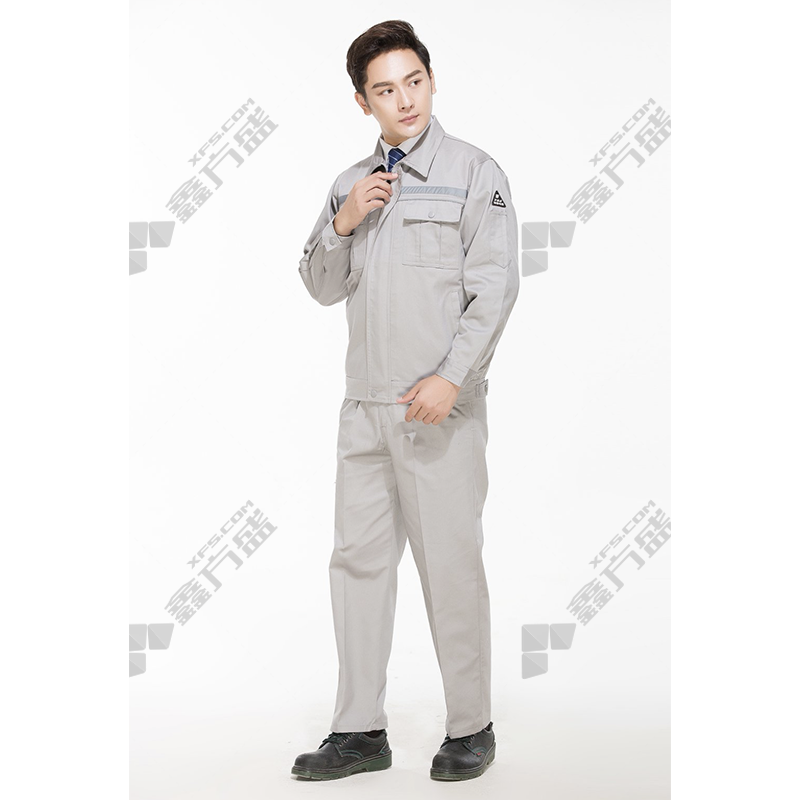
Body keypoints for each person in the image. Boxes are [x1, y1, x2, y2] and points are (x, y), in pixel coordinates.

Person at [293, 19, 519, 782]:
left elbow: (495, 290)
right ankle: (359, 730)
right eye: (386, 90)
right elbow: (321, 286)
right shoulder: (349, 185)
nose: (406, 100)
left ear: (431, 79)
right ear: (364, 102)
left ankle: (471, 726)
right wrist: (344, 220)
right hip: (364, 410)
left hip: (437, 413)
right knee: (357, 567)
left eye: (414, 82)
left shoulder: (474, 172)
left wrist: (452, 377)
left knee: (450, 567)